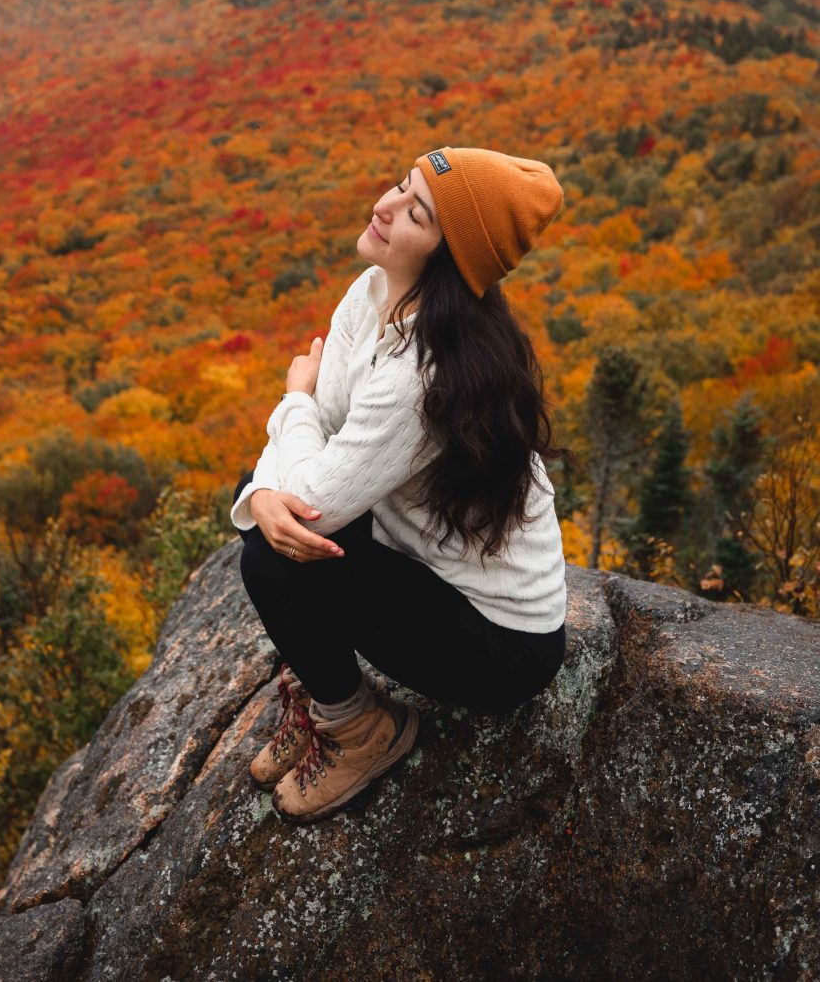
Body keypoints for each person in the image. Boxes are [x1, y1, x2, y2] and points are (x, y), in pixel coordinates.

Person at [231, 145, 573, 825]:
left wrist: (291, 400)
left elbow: (312, 485)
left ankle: (361, 731)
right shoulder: (375, 292)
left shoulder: (429, 374)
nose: (384, 207)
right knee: (261, 498)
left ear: (449, 259)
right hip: (423, 566)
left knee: (273, 555)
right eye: (399, 184)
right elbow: (324, 433)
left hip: (501, 645)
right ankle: (327, 689)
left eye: (415, 212)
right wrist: (273, 480)